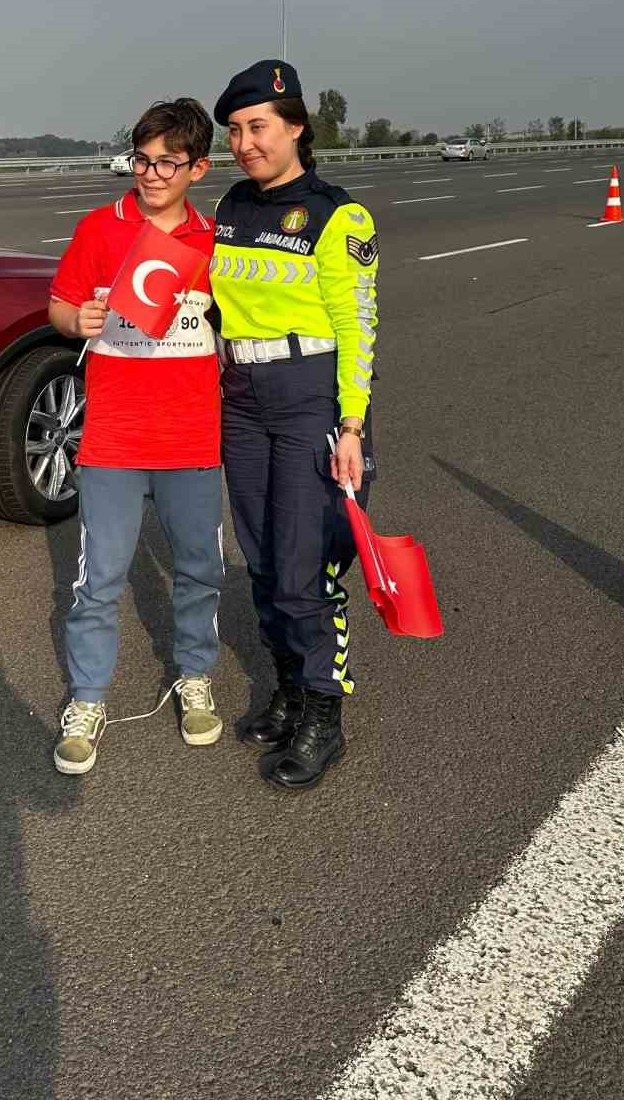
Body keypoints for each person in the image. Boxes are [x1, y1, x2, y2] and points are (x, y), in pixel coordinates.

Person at [209, 59, 378, 792]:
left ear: (296, 127)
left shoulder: (340, 216)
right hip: (241, 394)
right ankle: (286, 690)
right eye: (236, 131)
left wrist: (352, 425)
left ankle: (323, 715)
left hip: (310, 392)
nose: (245, 143)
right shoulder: (231, 207)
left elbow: (358, 323)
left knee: (306, 568)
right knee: (265, 559)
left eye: (259, 128)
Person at [48, 98, 224, 775]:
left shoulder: (214, 240)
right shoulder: (100, 227)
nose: (150, 175)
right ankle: (88, 700)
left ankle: (195, 677)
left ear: (197, 167)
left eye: (167, 164)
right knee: (99, 580)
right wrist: (77, 319)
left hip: (191, 441)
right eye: (142, 160)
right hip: (114, 441)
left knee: (199, 572)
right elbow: (59, 305)